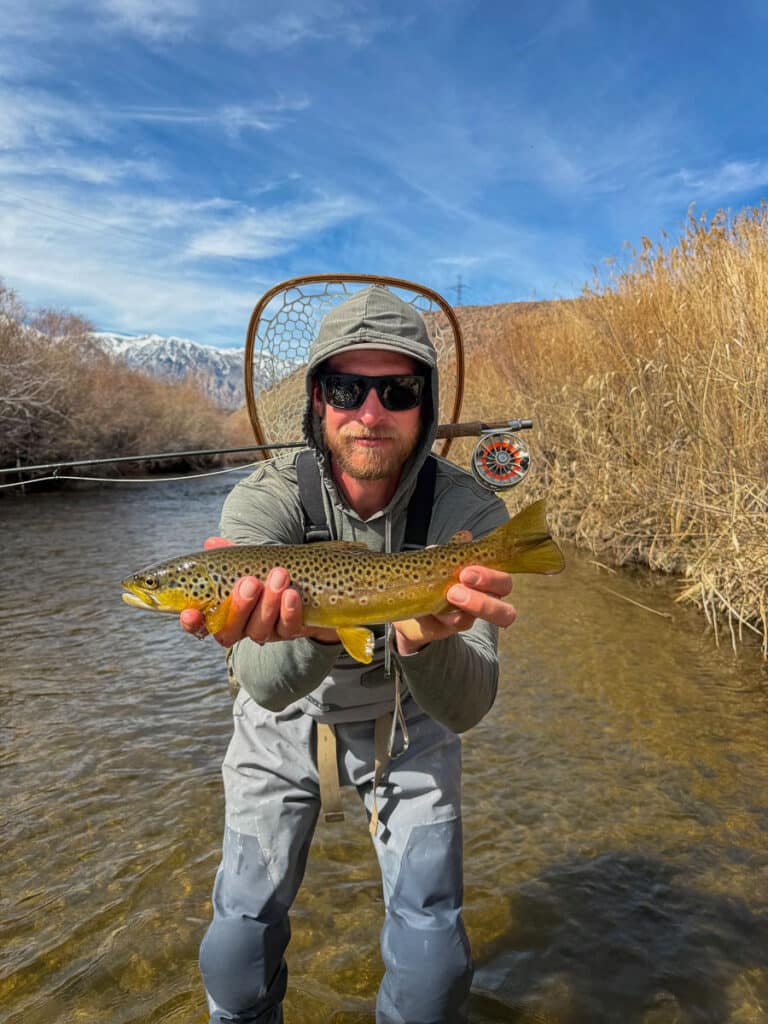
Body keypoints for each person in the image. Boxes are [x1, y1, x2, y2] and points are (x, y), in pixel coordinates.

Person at [181, 285, 517, 1024]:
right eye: (345, 389)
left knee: (434, 974)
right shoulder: (265, 501)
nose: (370, 412)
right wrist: (324, 629)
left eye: (397, 391)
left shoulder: (468, 513)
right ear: (317, 399)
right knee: (234, 956)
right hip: (282, 725)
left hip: (411, 722)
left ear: (425, 405)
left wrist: (424, 643)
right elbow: (263, 688)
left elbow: (468, 706)